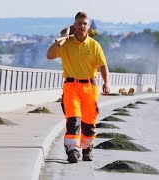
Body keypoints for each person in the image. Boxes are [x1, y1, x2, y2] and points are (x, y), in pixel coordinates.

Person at [47, 12, 110, 163]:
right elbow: (50, 55)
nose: (82, 26)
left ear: (88, 27)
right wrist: (62, 38)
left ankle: (87, 149)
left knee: (89, 121)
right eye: (79, 23)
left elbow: (103, 66)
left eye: (84, 24)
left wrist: (106, 82)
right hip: (71, 87)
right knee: (73, 119)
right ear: (74, 25)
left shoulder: (94, 45)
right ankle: (72, 150)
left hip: (89, 87)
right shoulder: (66, 43)